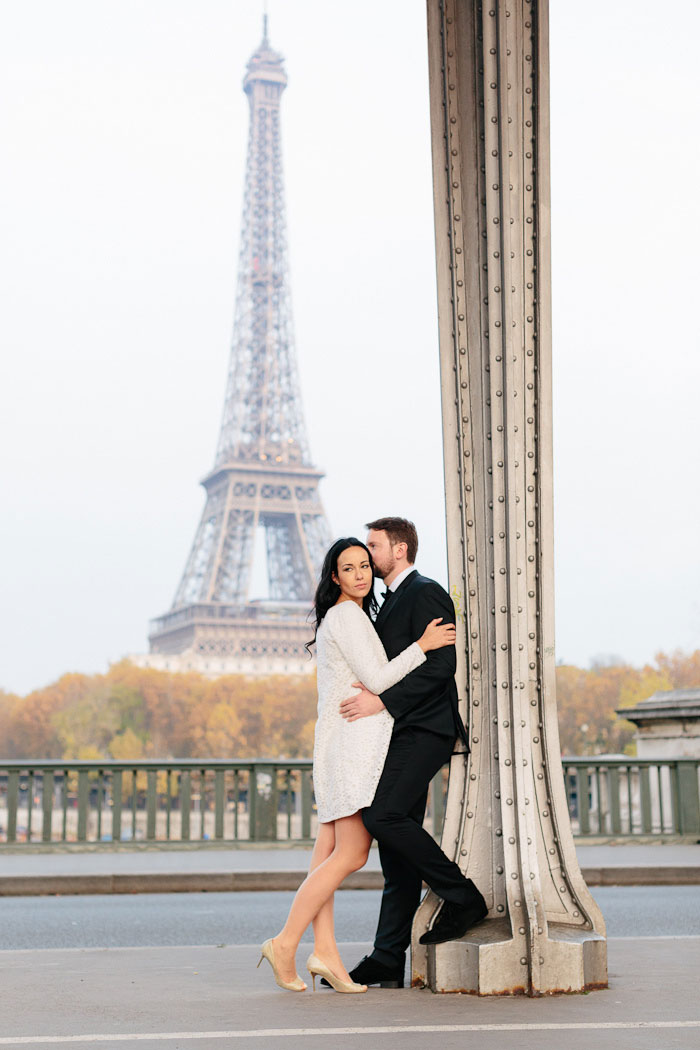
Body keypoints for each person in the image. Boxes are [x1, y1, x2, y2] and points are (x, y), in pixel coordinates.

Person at [257, 536, 456, 994]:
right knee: (352, 854)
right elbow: (381, 678)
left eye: (365, 564)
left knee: (326, 853)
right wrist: (423, 644)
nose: (361, 574)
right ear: (335, 577)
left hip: (337, 741)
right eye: (349, 568)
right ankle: (285, 942)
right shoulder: (348, 615)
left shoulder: (343, 616)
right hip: (351, 745)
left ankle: (324, 951)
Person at [336, 517, 487, 990]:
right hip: (402, 731)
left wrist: (382, 700)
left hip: (425, 728)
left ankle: (463, 897)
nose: (367, 554)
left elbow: (442, 665)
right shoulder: (387, 601)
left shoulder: (425, 591)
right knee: (396, 850)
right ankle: (386, 957)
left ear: (399, 549)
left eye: (374, 547)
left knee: (383, 818)